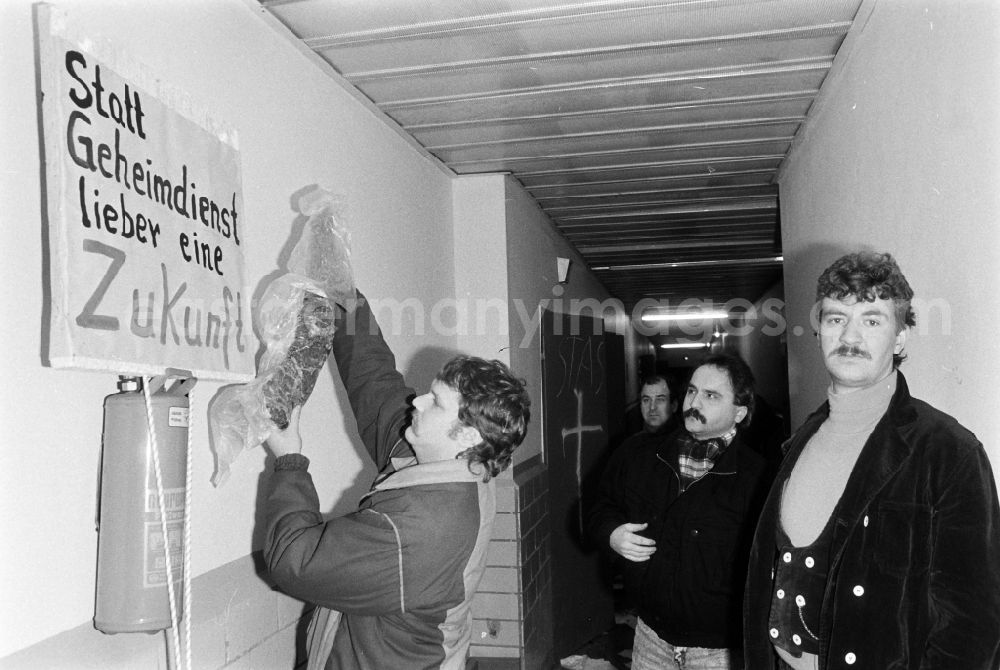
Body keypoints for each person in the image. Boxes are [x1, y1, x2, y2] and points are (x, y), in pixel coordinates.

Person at [743, 251, 1000, 669]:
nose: (850, 336)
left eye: (872, 320)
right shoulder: (800, 440)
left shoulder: (948, 452)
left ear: (900, 338)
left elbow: (972, 626)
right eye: (835, 318)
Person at [261, 292, 531, 670]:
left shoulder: (422, 526)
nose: (418, 402)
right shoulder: (451, 465)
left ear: (469, 434)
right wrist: (347, 300)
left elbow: (293, 560)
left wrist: (289, 461)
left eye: (435, 402)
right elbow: (377, 387)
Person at [588, 353, 770, 670]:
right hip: (649, 639)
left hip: (720, 653)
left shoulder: (760, 479)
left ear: (739, 412)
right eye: (691, 391)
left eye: (711, 395)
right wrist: (612, 534)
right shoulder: (639, 454)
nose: (694, 402)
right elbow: (599, 505)